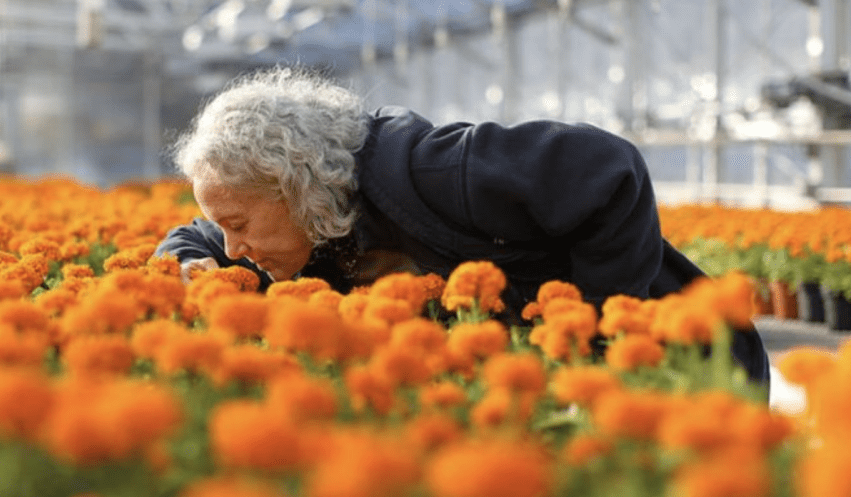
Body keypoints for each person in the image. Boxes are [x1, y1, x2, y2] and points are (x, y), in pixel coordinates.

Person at [153, 66, 770, 386]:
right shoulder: (312, 220)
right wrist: (182, 261)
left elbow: (609, 167)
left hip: (684, 367)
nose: (234, 248)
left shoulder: (438, 168)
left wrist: (602, 329)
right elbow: (196, 240)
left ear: (293, 185)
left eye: (238, 223)